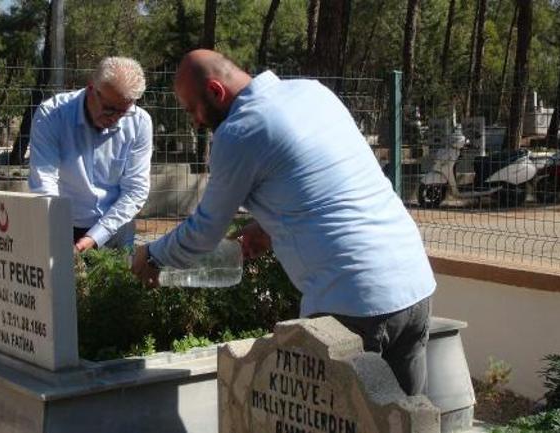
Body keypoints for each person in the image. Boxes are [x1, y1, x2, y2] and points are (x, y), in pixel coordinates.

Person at [131, 50, 435, 396]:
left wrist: (154, 255)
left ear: (216, 91)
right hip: (413, 285)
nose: (196, 122)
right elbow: (327, 185)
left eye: (192, 109)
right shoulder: (313, 93)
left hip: (352, 302)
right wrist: (268, 229)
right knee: (406, 419)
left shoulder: (240, 131)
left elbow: (204, 231)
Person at [28, 56, 153, 252]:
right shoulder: (52, 114)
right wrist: (58, 233)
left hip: (115, 228)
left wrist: (96, 236)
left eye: (123, 112)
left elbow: (135, 190)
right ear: (91, 89)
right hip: (63, 224)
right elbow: (44, 182)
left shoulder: (139, 122)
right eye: (109, 109)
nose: (114, 118)